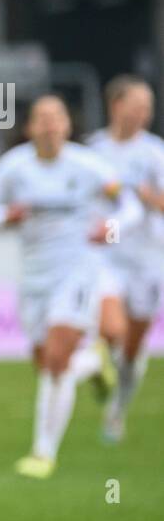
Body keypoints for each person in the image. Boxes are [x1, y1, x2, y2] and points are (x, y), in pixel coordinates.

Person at [0, 95, 141, 478]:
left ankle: (43, 453)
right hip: (35, 279)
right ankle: (93, 362)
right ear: (30, 128)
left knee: (55, 361)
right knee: (47, 363)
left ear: (67, 125)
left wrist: (111, 229)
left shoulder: (88, 166)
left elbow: (128, 206)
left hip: (78, 273)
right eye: (41, 119)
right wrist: (4, 217)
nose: (49, 126)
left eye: (56, 118)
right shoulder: (14, 168)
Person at [87, 75, 164, 442]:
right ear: (116, 105)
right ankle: (95, 358)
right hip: (107, 255)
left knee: (131, 351)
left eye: (148, 107)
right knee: (111, 328)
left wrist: (149, 197)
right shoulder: (93, 150)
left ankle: (116, 410)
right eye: (137, 105)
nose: (144, 113)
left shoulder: (155, 153)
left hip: (147, 259)